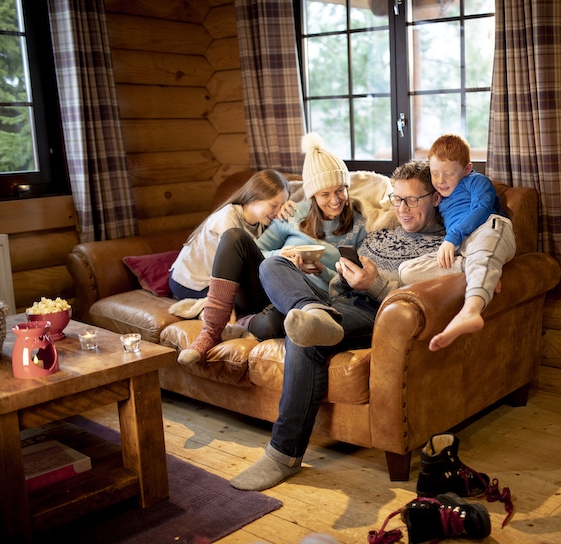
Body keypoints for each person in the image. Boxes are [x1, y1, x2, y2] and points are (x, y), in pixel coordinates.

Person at [228, 160, 444, 491]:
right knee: (273, 264)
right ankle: (312, 310)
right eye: (397, 199)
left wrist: (371, 284)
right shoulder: (380, 235)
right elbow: (342, 278)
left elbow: (425, 294)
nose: (402, 208)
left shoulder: (442, 246)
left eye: (412, 200)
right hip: (335, 300)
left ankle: (282, 455)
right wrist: (335, 274)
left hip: (378, 313)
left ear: (436, 198)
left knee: (304, 337)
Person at [177, 133, 368, 365]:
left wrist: (322, 272)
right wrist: (281, 256)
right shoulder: (294, 213)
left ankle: (242, 324)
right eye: (324, 194)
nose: (335, 200)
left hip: (305, 300)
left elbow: (355, 283)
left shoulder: (359, 226)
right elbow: (254, 252)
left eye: (340, 190)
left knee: (276, 325)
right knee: (234, 236)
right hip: (265, 286)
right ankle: (210, 332)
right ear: (313, 195)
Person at [398, 134, 516, 352]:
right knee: (407, 270)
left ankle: (470, 311)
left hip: (489, 228)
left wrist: (452, 238)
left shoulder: (477, 181)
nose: (440, 180)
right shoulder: (440, 197)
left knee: (482, 246)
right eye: (435, 174)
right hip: (466, 250)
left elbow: (482, 208)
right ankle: (483, 268)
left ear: (467, 169)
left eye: (448, 174)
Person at [169, 169, 290, 301]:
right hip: (189, 283)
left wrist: (288, 212)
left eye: (282, 206)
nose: (278, 212)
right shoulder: (227, 218)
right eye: (274, 206)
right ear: (254, 198)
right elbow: (242, 263)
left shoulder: (262, 222)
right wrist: (278, 255)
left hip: (216, 279)